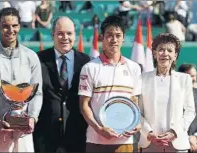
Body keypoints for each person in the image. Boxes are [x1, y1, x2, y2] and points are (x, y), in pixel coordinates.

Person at [0, 7, 43, 152]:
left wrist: (32, 117)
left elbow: (37, 93)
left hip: (23, 136)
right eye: (5, 26)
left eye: (14, 26)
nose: (10, 30)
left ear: (19, 26)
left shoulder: (31, 56)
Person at [78, 15, 142, 152]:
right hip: (96, 141)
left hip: (125, 142)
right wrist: (99, 129)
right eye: (109, 35)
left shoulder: (134, 68)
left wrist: (137, 124)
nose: (114, 40)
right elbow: (84, 105)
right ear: (102, 37)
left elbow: (134, 101)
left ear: (123, 38)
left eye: (118, 35)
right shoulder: (89, 68)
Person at [33, 16, 91, 152]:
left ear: (75, 35)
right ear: (52, 35)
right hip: (45, 137)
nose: (65, 37)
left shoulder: (86, 62)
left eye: (69, 33)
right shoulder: (37, 60)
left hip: (77, 136)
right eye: (60, 33)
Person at [138, 33, 196, 152]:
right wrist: (148, 132)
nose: (165, 53)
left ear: (175, 55)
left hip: (177, 144)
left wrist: (174, 132)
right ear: (154, 54)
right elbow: (137, 112)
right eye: (161, 50)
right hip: (150, 144)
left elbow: (190, 111)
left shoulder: (184, 79)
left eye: (169, 50)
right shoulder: (142, 78)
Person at [178, 64, 197, 152]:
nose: (191, 79)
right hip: (178, 142)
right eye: (188, 76)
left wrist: (195, 137)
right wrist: (187, 138)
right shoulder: (174, 96)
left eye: (193, 76)